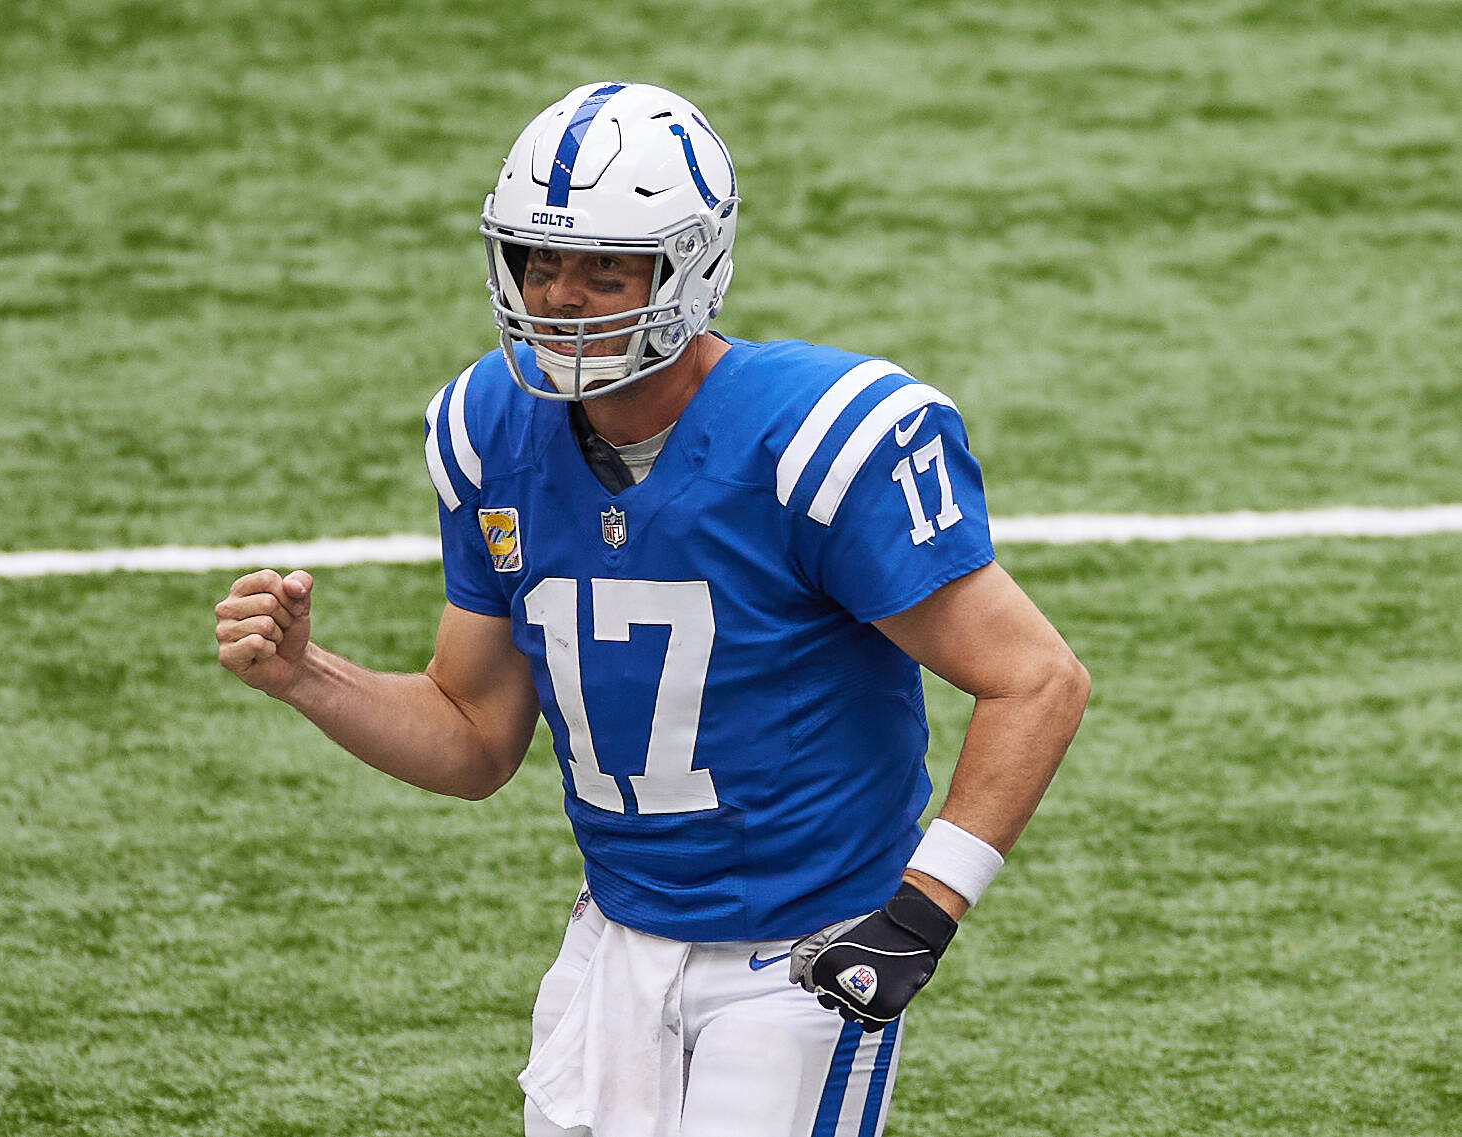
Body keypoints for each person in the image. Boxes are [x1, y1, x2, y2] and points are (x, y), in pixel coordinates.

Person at [215, 81, 1089, 1137]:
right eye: (542, 261)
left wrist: (919, 913)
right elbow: (472, 737)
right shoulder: (485, 428)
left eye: (604, 269)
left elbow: (1035, 677)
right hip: (616, 937)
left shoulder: (812, 438)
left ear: (690, 267)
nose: (563, 296)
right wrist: (307, 677)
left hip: (800, 954)